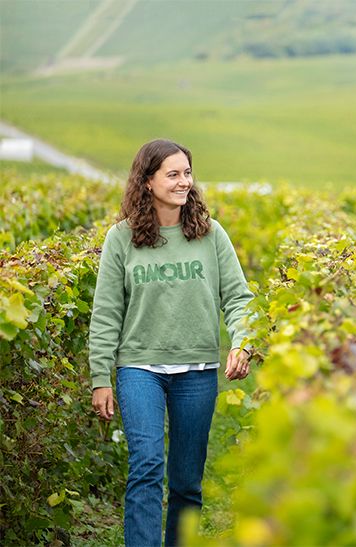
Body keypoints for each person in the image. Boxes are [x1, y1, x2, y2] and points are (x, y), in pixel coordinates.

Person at [89, 139, 253, 547]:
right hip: (139, 368)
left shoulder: (211, 235)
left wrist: (243, 342)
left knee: (186, 482)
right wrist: (100, 376)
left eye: (187, 173)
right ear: (147, 181)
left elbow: (238, 298)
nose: (184, 182)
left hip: (197, 372)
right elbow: (107, 312)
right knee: (146, 466)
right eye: (173, 174)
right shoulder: (121, 239)